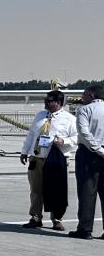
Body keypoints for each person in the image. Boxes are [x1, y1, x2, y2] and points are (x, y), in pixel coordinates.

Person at [19, 89, 76, 230]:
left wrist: (64, 141)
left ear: (58, 103)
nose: (45, 103)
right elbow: (31, 135)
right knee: (36, 190)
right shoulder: (40, 115)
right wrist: (24, 151)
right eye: (45, 100)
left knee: (56, 190)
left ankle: (57, 219)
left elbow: (78, 138)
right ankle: (36, 217)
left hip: (56, 161)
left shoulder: (69, 119)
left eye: (49, 101)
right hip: (37, 159)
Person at [71, 85, 104, 239]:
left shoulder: (85, 110)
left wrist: (98, 149)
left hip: (89, 153)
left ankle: (85, 229)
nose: (82, 97)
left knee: (86, 192)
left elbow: (84, 132)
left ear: (91, 95)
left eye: (84, 94)